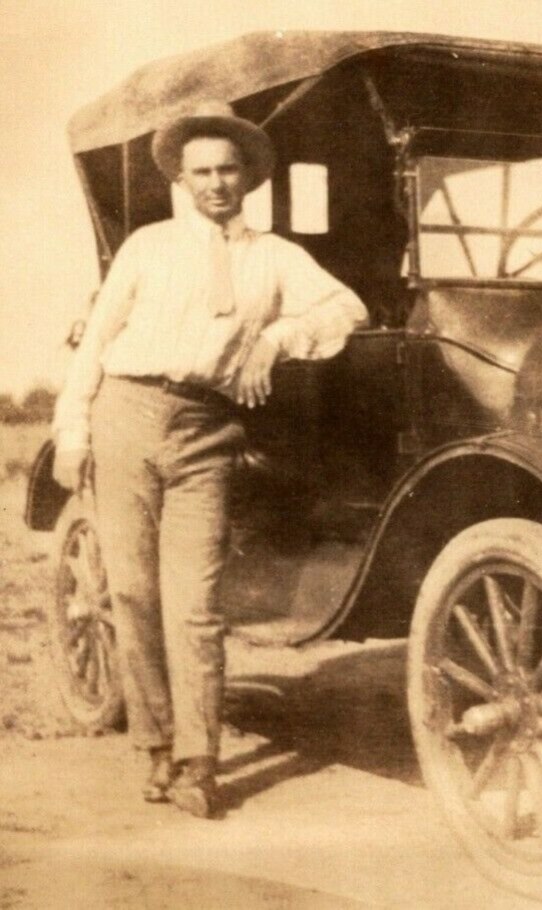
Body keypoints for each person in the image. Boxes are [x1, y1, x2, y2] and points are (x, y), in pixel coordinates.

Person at [51, 100, 368, 819]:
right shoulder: (148, 248)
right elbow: (96, 342)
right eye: (202, 172)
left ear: (248, 177)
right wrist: (73, 433)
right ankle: (155, 745)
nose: (217, 183)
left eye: (228, 170)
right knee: (133, 592)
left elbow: (347, 307)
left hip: (209, 430)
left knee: (195, 604)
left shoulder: (275, 256)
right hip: (126, 414)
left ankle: (200, 763)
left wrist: (275, 339)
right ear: (182, 179)